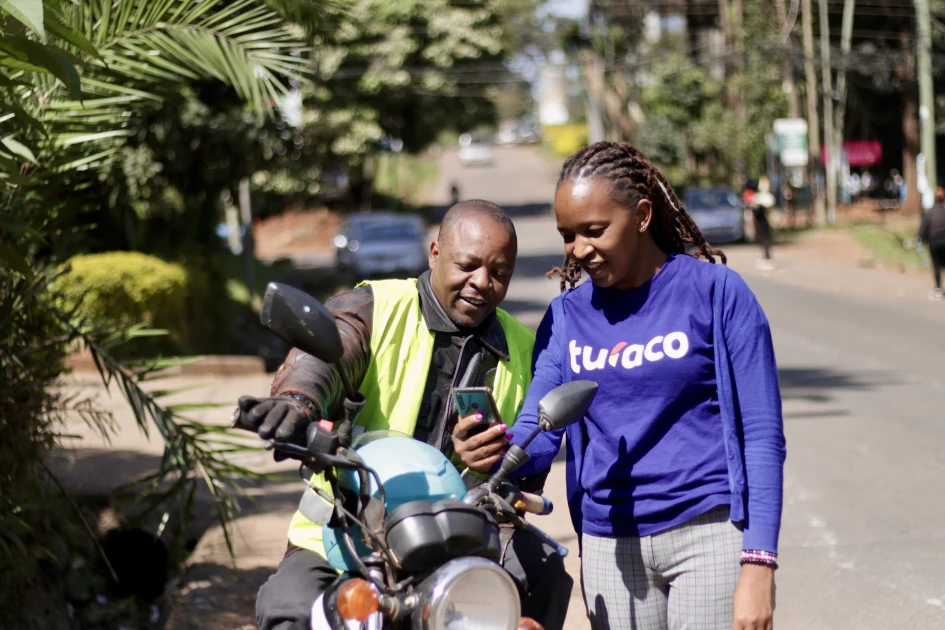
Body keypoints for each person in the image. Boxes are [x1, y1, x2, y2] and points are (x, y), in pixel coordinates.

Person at [240, 200, 573, 630]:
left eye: (500, 272)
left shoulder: (524, 347)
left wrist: (494, 466)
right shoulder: (376, 306)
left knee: (542, 578)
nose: (482, 282)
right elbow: (327, 356)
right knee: (287, 609)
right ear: (434, 253)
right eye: (467, 264)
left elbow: (529, 460)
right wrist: (296, 402)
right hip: (346, 530)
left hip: (461, 535)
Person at [510, 142, 786, 630]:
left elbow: (762, 434)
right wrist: (494, 448)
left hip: (708, 534)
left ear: (641, 215)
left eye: (596, 230)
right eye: (568, 235)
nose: (579, 249)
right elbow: (538, 430)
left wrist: (759, 561)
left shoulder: (717, 294)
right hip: (608, 545)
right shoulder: (566, 319)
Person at [918, 186, 945, 300]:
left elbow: (923, 229)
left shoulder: (930, 213)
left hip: (934, 242)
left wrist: (921, 240)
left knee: (937, 266)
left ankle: (938, 289)